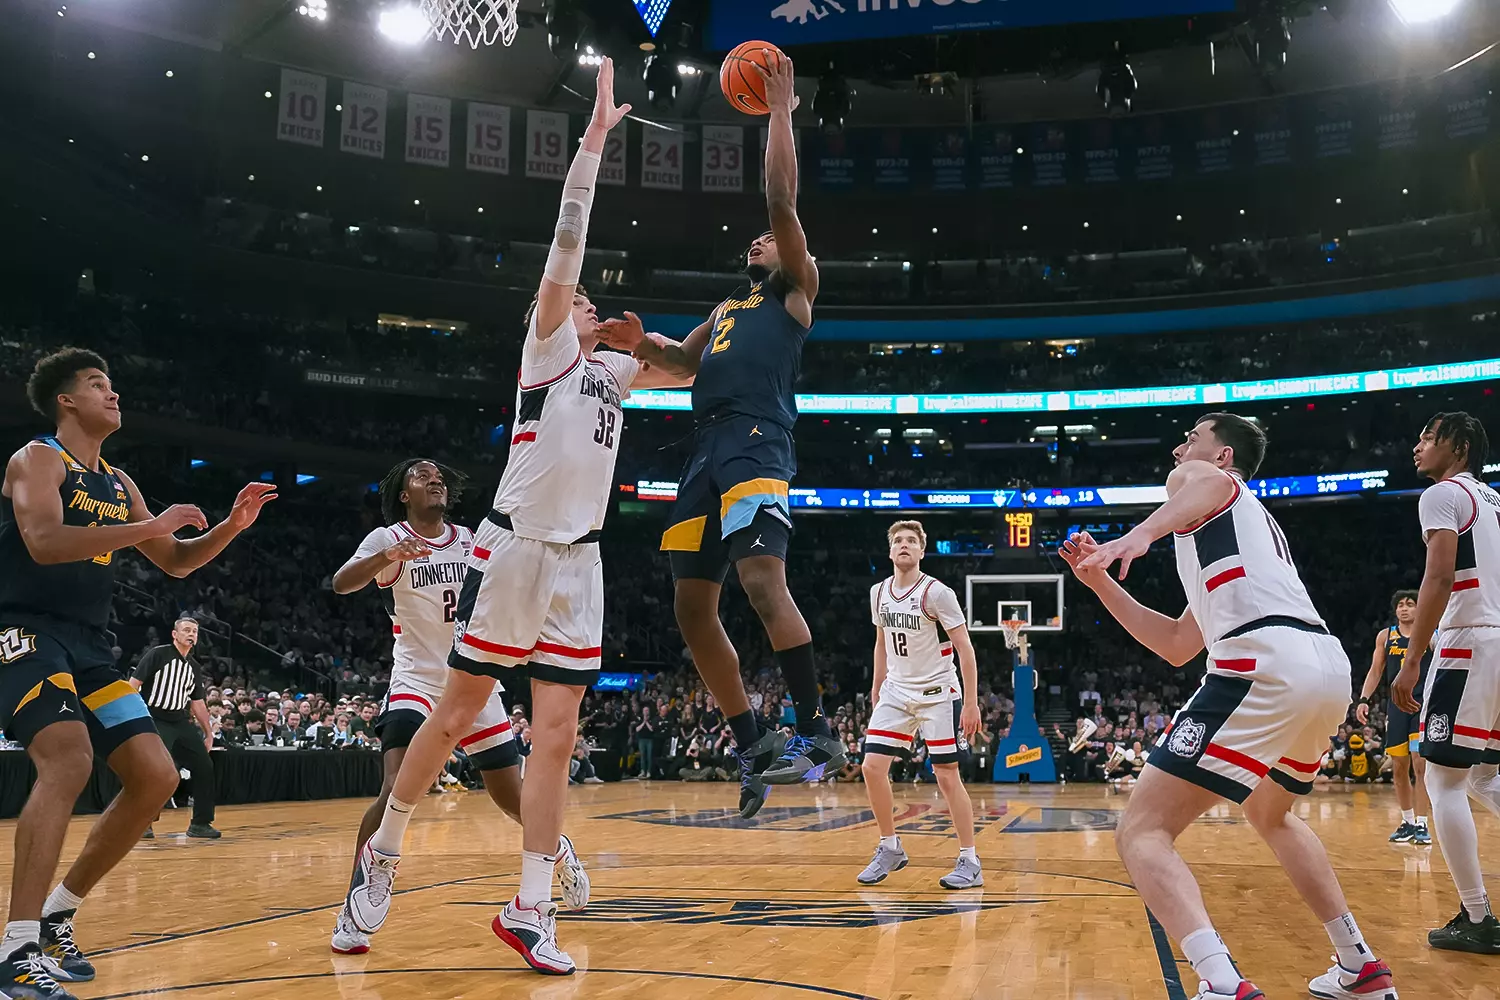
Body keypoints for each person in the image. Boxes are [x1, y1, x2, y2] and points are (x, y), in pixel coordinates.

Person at [345, 59, 690, 978]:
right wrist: (594, 142)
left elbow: (687, 369)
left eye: (585, 305)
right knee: (457, 712)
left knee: (562, 734)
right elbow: (567, 242)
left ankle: (529, 906)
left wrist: (639, 339)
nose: (582, 300)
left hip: (582, 561)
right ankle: (382, 858)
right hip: (513, 549)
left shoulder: (613, 370)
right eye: (580, 300)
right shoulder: (544, 350)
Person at [1062, 412, 1396, 999]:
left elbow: (1205, 482)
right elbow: (1175, 644)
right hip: (1322, 667)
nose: (1179, 448)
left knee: (1141, 831)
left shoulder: (1212, 485)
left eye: (1192, 438)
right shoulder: (1233, 535)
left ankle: (1219, 981)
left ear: (1221, 456)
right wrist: (1099, 584)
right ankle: (1359, 964)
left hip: (1263, 659)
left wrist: (1138, 535)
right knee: (1271, 814)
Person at [600, 50, 844, 819]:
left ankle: (814, 728)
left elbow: (778, 197)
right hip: (703, 447)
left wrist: (779, 113)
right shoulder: (728, 307)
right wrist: (641, 343)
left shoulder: (795, 295)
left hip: (756, 441)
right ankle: (752, 743)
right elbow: (677, 361)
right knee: (690, 609)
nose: (758, 242)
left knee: (761, 582)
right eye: (758, 242)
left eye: (770, 241)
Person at [0, 348, 275, 1000]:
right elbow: (43, 539)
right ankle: (14, 951)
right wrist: (148, 526)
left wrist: (232, 528)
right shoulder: (36, 460)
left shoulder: (120, 483)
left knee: (154, 776)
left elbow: (175, 561)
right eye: (98, 385)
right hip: (22, 631)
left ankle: (58, 914)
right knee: (66, 760)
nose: (113, 393)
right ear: (66, 400)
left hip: (90, 646)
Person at [325, 457, 583, 956]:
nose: (436, 479)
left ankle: (558, 850)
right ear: (404, 494)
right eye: (422, 476)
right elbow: (341, 583)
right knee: (395, 788)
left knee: (514, 799)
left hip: (475, 683)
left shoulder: (472, 540)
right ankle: (356, 904)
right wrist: (386, 559)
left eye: (440, 475)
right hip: (417, 681)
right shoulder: (389, 538)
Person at [1393, 411, 1500, 953]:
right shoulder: (1495, 500)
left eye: (1426, 436)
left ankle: (1477, 918)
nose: (1416, 445)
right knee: (1483, 778)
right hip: (1499, 640)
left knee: (1443, 782)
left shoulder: (1442, 494)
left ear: (1456, 446)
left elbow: (1438, 576)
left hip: (1469, 640)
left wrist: (1412, 658)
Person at [856, 521, 983, 889]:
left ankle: (969, 859)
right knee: (871, 767)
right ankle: (889, 846)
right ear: (890, 551)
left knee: (946, 777)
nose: (904, 545)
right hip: (896, 690)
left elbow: (966, 650)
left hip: (937, 693)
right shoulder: (878, 592)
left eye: (912, 541)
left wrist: (971, 702)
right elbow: (881, 643)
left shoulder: (937, 593)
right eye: (898, 540)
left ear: (922, 551)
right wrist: (877, 686)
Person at [129, 617, 220, 840]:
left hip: (180, 721)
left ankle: (200, 823)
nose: (191, 634)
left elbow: (197, 703)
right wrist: (133, 719)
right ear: (174, 634)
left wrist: (208, 733)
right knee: (158, 771)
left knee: (204, 767)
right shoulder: (158, 654)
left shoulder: (194, 667)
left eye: (195, 632)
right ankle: (144, 822)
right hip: (155, 718)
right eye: (187, 630)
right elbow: (133, 685)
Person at [1355, 590, 1431, 844]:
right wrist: (1364, 699)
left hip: (1421, 706)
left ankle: (1423, 824)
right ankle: (1407, 821)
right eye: (1400, 605)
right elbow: (1376, 670)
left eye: (1410, 604)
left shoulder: (1430, 633)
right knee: (1399, 767)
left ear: (1419, 608)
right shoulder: (1386, 637)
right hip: (1396, 709)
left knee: (1420, 765)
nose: (1404, 608)